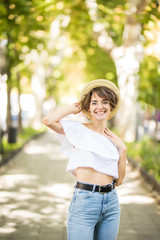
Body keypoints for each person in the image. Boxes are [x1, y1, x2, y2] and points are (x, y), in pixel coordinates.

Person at [42, 79, 127, 240]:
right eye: (94, 102)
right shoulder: (77, 129)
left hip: (112, 203)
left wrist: (123, 150)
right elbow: (49, 121)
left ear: (111, 107)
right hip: (85, 201)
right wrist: (73, 108)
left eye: (105, 102)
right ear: (88, 107)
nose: (99, 106)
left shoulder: (113, 139)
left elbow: (120, 180)